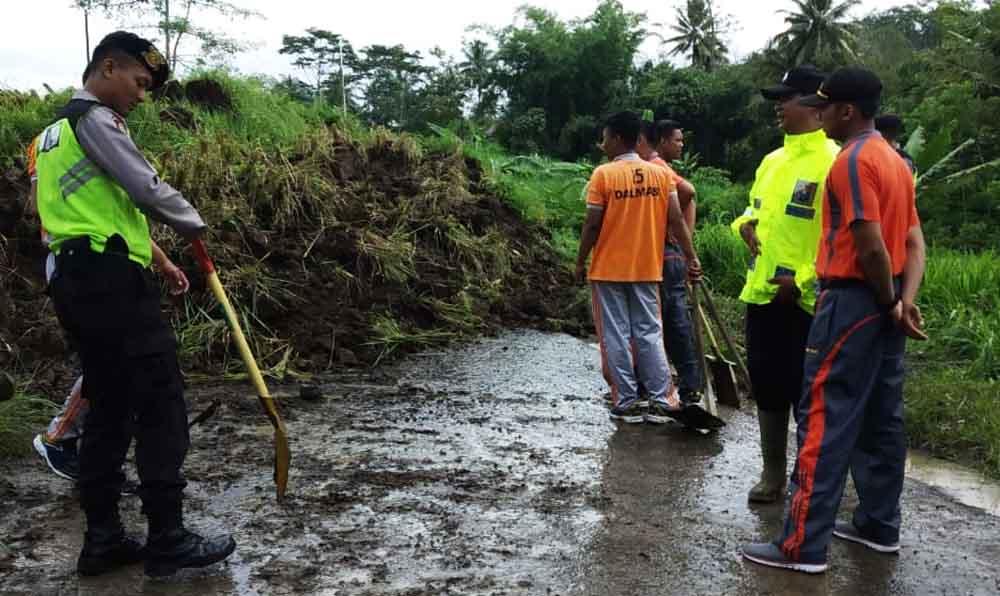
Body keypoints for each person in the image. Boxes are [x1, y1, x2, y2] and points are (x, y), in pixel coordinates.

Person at [34, 31, 234, 578]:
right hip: (108, 281)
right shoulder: (96, 121)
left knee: (110, 405)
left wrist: (161, 260)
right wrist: (193, 220)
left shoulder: (52, 135)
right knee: (161, 398)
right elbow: (144, 187)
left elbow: (94, 207)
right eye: (139, 83)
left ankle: (102, 539)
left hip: (75, 276)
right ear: (107, 69)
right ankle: (168, 536)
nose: (142, 96)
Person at [742, 66, 927, 573]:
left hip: (851, 299)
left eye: (824, 107)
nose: (818, 114)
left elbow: (869, 244)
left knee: (825, 416)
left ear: (847, 111)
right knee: (881, 419)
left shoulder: (851, 161)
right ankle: (878, 525)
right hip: (884, 302)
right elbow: (914, 242)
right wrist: (903, 300)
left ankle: (802, 546)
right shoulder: (895, 161)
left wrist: (886, 297)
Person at [25, 136, 190, 485]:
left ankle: (87, 459)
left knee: (117, 363)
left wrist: (163, 263)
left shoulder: (54, 143)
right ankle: (60, 438)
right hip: (82, 262)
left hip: (99, 261)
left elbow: (123, 221)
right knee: (110, 362)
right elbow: (37, 207)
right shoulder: (77, 137)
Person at [731, 65, 840, 504]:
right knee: (769, 387)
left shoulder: (833, 161)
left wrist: (804, 280)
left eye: (787, 98)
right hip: (762, 294)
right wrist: (745, 225)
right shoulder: (772, 162)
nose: (779, 106)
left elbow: (838, 237)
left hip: (807, 301)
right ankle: (772, 473)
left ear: (815, 104)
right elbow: (752, 209)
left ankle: (808, 479)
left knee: (808, 394)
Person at [576, 111, 706, 427]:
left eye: (604, 137)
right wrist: (691, 256)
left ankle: (627, 401)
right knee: (650, 333)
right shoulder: (661, 176)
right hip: (648, 268)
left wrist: (580, 261)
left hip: (608, 270)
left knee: (616, 335)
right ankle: (664, 401)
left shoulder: (603, 175)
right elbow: (676, 220)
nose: (601, 143)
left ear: (619, 139)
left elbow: (593, 224)